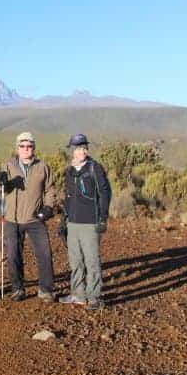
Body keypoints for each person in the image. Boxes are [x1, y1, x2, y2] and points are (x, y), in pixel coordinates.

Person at [0, 131, 57, 302]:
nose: (26, 149)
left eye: (29, 146)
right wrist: (0, 180)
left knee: (45, 253)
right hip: (12, 218)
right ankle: (18, 288)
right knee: (14, 254)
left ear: (34, 147)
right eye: (22, 146)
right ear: (17, 148)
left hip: (35, 219)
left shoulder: (43, 167)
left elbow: (50, 189)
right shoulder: (8, 166)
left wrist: (48, 207)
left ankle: (46, 290)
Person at [59, 133, 111, 310]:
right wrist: (64, 219)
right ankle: (78, 295)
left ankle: (94, 297)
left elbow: (105, 193)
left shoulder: (94, 168)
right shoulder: (70, 171)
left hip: (90, 222)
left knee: (92, 260)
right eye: (78, 148)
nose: (82, 151)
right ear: (72, 151)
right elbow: (68, 196)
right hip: (73, 222)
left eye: (84, 147)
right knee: (75, 261)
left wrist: (103, 217)